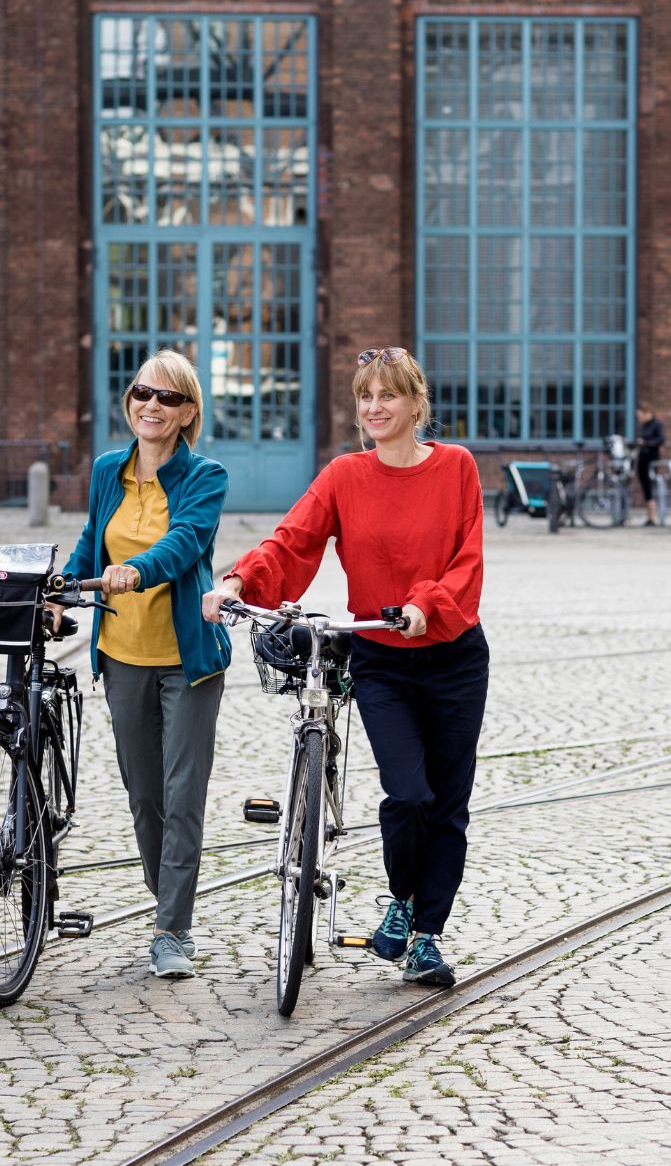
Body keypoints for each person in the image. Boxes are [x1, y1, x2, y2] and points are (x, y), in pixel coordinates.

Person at [203, 347, 486, 988]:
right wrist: (239, 582)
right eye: (365, 397)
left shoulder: (457, 469)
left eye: (388, 395)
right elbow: (293, 540)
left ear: (417, 404)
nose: (374, 407)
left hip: (454, 656)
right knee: (407, 792)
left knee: (447, 804)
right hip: (383, 660)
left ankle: (425, 934)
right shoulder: (344, 476)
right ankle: (402, 898)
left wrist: (423, 605)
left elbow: (466, 562)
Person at [50, 349, 230, 980]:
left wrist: (137, 570)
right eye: (141, 393)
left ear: (187, 414)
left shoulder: (204, 476)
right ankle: (168, 900)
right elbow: (88, 541)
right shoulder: (108, 471)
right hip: (122, 656)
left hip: (188, 658)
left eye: (168, 398)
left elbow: (186, 543)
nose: (151, 405)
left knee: (183, 794)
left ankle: (171, 928)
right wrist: (62, 588)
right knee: (144, 794)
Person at [634, 403, 666, 526]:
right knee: (645, 487)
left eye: (640, 415)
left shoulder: (657, 424)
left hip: (651, 459)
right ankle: (650, 517)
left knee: (649, 486)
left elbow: (661, 439)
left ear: (646, 412)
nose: (639, 417)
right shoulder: (644, 426)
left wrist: (646, 443)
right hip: (642, 459)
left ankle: (653, 517)